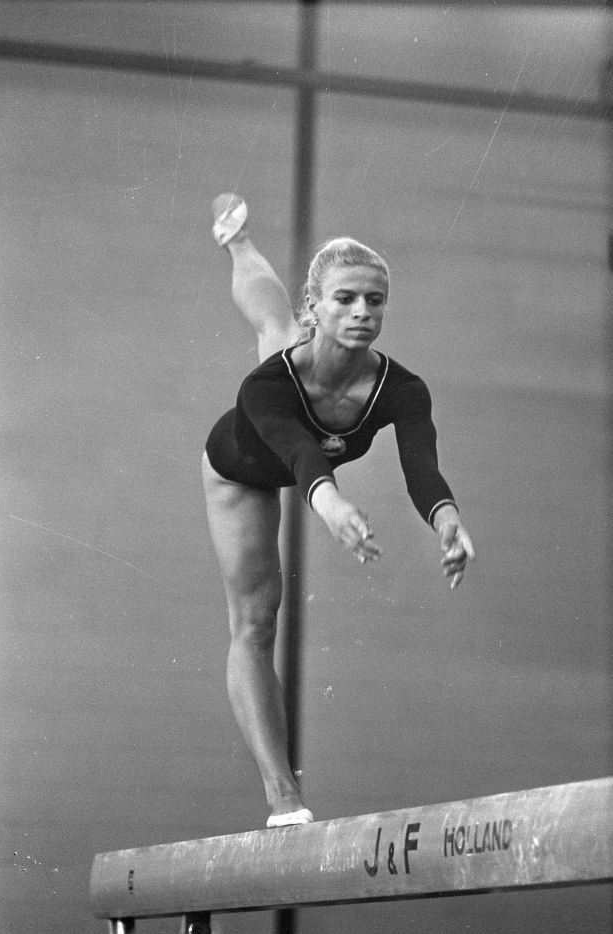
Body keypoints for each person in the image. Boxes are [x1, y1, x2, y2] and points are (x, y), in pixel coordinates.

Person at [202, 193, 475, 828]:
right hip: (241, 468)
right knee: (256, 622)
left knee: (276, 329)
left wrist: (448, 520)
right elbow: (298, 453)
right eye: (345, 298)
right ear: (319, 306)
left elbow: (421, 468)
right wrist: (330, 504)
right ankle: (283, 798)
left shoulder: (400, 389)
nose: (361, 312)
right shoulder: (267, 385)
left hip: (302, 456)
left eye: (374, 300)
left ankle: (242, 247)